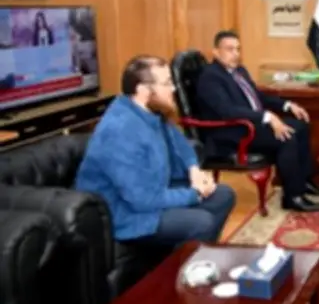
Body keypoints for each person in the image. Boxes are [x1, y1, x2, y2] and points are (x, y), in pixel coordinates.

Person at [75, 55, 236, 246]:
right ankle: (185, 262)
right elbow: (142, 200)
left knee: (224, 195)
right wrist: (195, 193)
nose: (174, 89)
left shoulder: (151, 112)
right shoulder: (120, 130)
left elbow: (181, 144)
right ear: (143, 90)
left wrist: (194, 170)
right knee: (202, 223)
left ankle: (192, 253)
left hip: (153, 192)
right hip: (125, 214)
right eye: (167, 83)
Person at [194, 30, 319, 212]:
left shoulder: (239, 71)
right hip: (231, 132)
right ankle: (292, 197)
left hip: (250, 125)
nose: (235, 54)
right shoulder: (210, 77)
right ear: (216, 52)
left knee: (301, 126)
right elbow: (227, 111)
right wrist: (267, 117)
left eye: (238, 49)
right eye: (229, 49)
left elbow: (257, 96)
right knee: (286, 136)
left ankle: (303, 181)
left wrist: (287, 105)